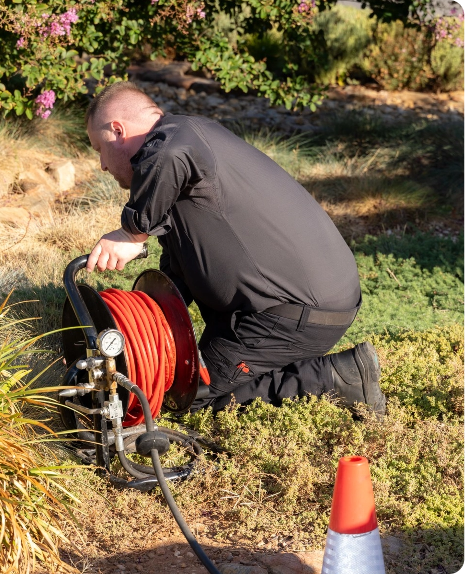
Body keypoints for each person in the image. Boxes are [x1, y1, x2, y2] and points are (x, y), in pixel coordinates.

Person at [85, 81, 386, 416]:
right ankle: (299, 369)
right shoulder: (189, 149)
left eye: (98, 148)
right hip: (278, 308)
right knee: (188, 376)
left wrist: (132, 232)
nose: (102, 166)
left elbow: (170, 153)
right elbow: (181, 266)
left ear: (117, 130)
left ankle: (336, 378)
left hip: (289, 315)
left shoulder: (176, 140)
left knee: (184, 397)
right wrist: (142, 329)